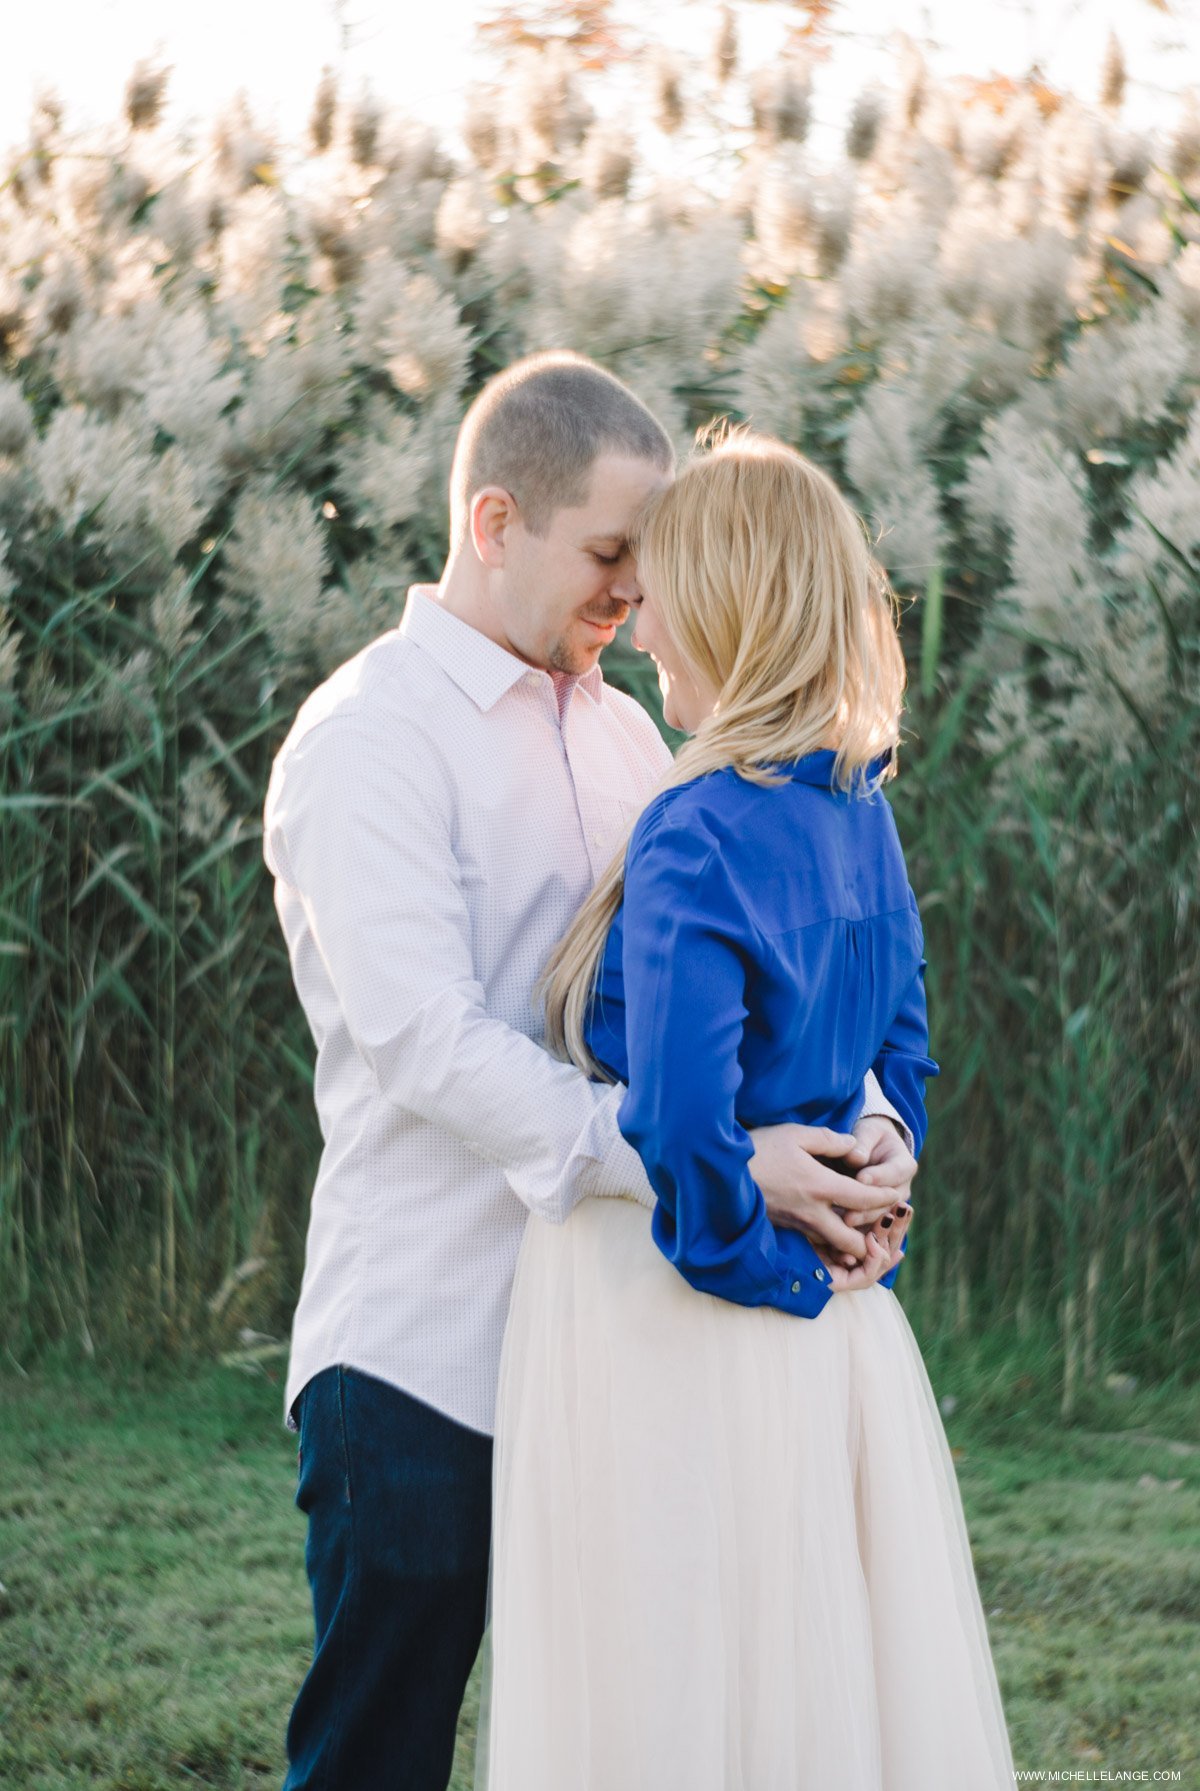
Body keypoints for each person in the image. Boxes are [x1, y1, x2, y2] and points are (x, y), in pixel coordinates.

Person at [262, 353, 917, 1791]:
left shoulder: (639, 737)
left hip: (629, 1354)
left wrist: (862, 1119)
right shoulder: (370, 739)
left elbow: (763, 988)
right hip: (427, 1352)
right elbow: (426, 1040)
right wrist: (703, 1158)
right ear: (496, 523)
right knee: (382, 1749)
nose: (638, 593)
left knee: (620, 1741)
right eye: (614, 553)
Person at [480, 430, 1016, 1790]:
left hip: (677, 1322)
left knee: (673, 1692)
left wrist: (751, 1258)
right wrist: (882, 1176)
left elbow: (674, 1117)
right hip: (841, 1335)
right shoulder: (856, 801)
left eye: (658, 584)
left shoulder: (697, 824)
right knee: (815, 1692)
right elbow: (906, 1046)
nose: (638, 616)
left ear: (723, 598)